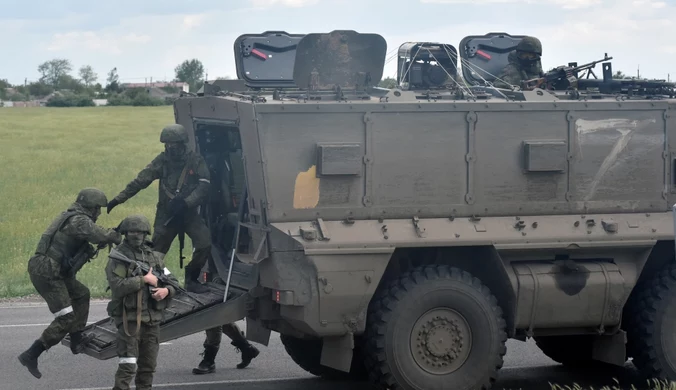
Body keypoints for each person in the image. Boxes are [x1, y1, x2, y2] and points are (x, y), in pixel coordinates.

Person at [18, 188, 123, 379]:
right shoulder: (79, 220)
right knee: (65, 318)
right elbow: (101, 235)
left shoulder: (71, 216)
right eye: (98, 208)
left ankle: (76, 339)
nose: (99, 213)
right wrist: (116, 235)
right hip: (48, 272)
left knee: (81, 294)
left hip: (52, 269)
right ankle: (32, 354)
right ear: (90, 207)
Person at [106, 124, 211, 294]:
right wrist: (118, 199)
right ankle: (158, 282)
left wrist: (187, 202)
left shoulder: (195, 160)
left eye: (174, 144)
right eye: (167, 144)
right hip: (167, 215)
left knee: (204, 244)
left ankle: (191, 278)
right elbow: (140, 181)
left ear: (182, 143)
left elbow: (204, 185)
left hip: (189, 214)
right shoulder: (162, 161)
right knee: (155, 253)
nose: (170, 147)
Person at [105, 214, 179, 390]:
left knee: (148, 368)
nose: (136, 235)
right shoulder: (119, 258)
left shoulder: (154, 258)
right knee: (127, 367)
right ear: (125, 233)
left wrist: (166, 291)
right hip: (129, 321)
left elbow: (173, 282)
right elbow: (117, 286)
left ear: (146, 234)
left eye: (140, 232)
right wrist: (143, 280)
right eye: (132, 231)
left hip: (152, 322)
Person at [192, 273, 260, 374]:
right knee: (220, 318)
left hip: (226, 275)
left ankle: (209, 360)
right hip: (213, 274)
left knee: (213, 317)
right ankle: (247, 349)